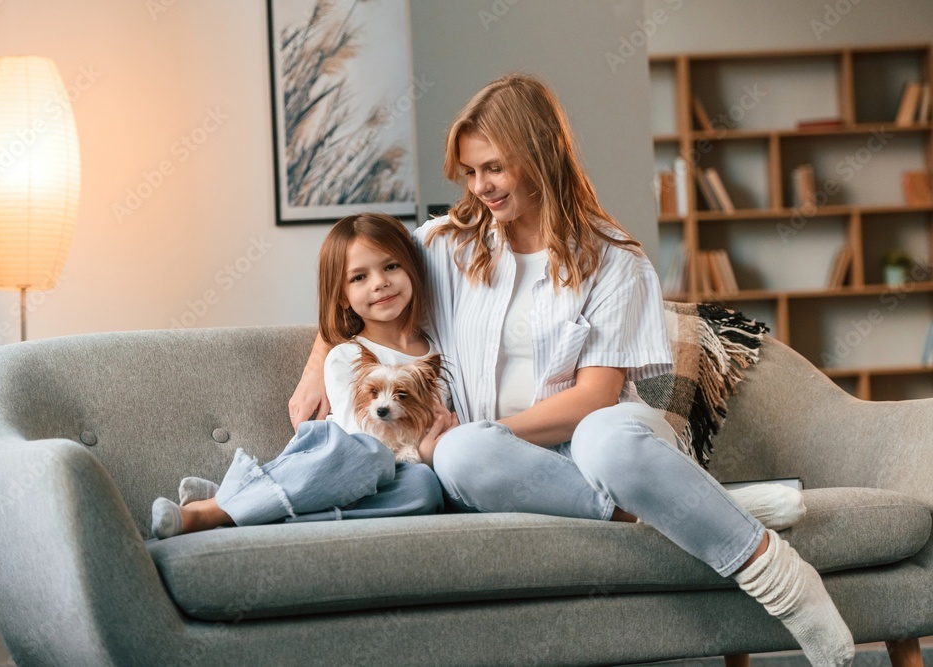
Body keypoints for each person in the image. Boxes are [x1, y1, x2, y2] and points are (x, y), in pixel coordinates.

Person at [289, 74, 853, 665]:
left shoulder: (614, 260)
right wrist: (319, 356)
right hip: (501, 470)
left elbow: (593, 399)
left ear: (539, 156)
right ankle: (691, 505)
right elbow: (360, 270)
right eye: (470, 172)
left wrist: (489, 432)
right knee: (458, 454)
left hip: (591, 443)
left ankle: (783, 582)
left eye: (493, 169)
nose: (479, 187)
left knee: (602, 437)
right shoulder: (449, 243)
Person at [151, 213, 447, 539]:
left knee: (424, 487)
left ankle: (242, 499)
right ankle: (208, 512)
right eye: (359, 277)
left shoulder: (437, 351)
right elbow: (361, 434)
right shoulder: (345, 356)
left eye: (391, 266)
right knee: (372, 457)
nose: (379, 282)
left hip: (391, 475)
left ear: (413, 268)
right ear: (341, 296)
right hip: (344, 459)